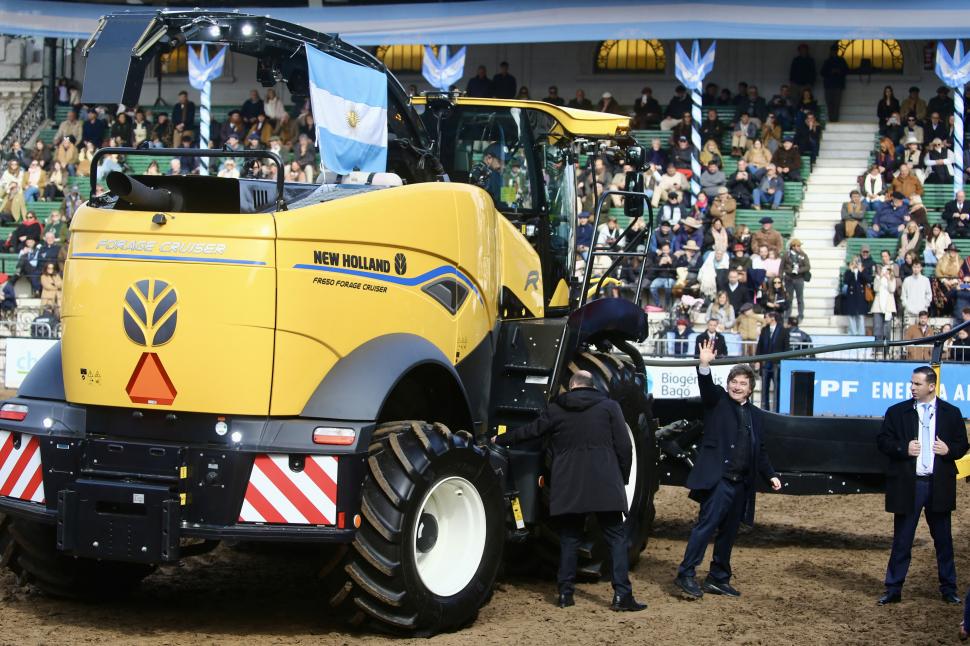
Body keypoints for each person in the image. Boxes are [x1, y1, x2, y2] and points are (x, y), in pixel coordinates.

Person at [493, 370, 645, 612]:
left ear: (572, 386)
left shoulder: (556, 409)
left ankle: (565, 594)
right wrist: (622, 477)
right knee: (616, 538)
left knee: (569, 539)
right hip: (605, 483)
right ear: (592, 386)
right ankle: (622, 596)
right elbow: (624, 447)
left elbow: (531, 432)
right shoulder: (610, 407)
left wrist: (500, 440)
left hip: (569, 484)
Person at [674, 339, 781, 600]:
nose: (737, 386)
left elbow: (760, 449)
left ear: (750, 389)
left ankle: (718, 578)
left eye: (743, 383)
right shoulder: (718, 401)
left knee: (730, 532)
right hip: (719, 480)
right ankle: (685, 573)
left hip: (741, 484)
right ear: (728, 384)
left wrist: (771, 474)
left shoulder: (756, 415)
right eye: (734, 381)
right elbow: (706, 387)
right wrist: (704, 364)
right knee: (706, 526)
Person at [876, 366, 968, 606]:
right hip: (910, 485)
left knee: (944, 540)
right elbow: (883, 441)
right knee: (902, 540)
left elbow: (962, 444)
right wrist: (902, 448)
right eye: (911, 383)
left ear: (931, 386)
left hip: (939, 484)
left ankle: (949, 588)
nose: (912, 388)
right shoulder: (897, 412)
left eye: (917, 384)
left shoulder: (951, 413)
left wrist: (949, 451)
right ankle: (893, 588)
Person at [755, 311, 789, 411]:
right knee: (764, 389)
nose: (765, 319)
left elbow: (786, 348)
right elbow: (760, 346)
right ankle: (764, 410)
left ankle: (777, 410)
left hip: (777, 365)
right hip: (765, 364)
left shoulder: (783, 331)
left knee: (777, 389)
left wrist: (783, 362)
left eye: (766, 317)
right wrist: (757, 360)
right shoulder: (764, 330)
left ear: (772, 318)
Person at [819, 44, 848, 122]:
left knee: (836, 104)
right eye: (832, 51)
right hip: (828, 86)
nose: (833, 52)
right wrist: (830, 72)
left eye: (835, 51)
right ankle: (831, 120)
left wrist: (839, 71)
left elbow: (846, 71)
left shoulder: (841, 60)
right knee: (829, 104)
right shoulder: (827, 61)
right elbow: (822, 72)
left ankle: (835, 120)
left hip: (838, 86)